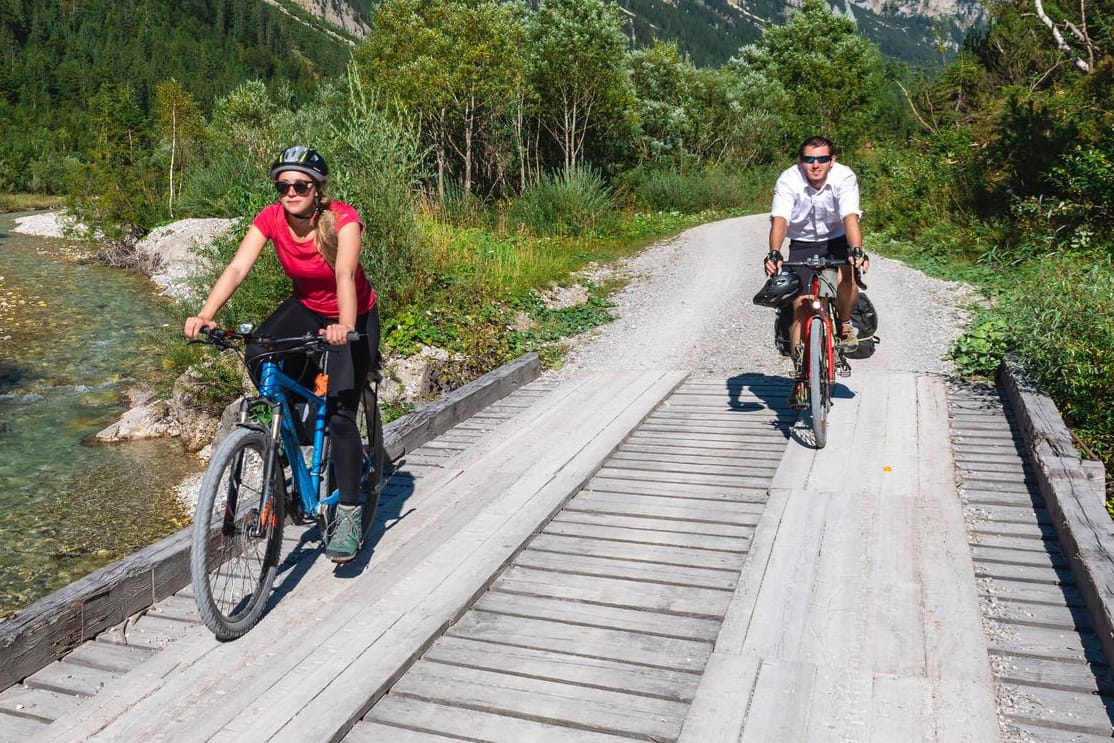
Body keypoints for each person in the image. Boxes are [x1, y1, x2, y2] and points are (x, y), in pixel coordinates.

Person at [184, 145, 380, 564]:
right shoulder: (271, 219)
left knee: (343, 412)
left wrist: (344, 327)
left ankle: (347, 510)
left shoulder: (343, 220)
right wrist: (206, 314)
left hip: (353, 314)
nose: (291, 192)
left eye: (300, 185)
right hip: (307, 308)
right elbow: (238, 267)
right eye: (283, 185)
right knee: (258, 349)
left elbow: (345, 274)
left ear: (318, 188)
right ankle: (292, 423)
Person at [763, 136, 870, 409]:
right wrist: (775, 252)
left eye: (822, 158)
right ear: (802, 162)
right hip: (802, 243)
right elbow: (780, 219)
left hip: (836, 238)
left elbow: (850, 217)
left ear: (831, 160)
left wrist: (856, 250)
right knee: (801, 305)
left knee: (847, 276)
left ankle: (844, 325)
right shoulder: (788, 179)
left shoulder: (844, 177)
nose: (815, 164)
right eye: (809, 159)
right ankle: (801, 377)